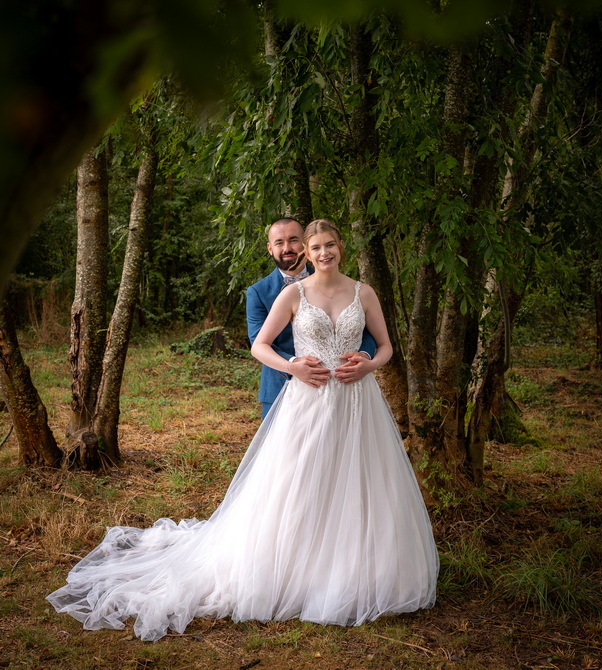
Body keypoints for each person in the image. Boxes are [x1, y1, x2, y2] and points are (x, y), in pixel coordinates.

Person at [46, 219, 439, 642]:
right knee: (299, 482)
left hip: (357, 402)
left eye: (331, 245)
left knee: (360, 483)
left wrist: (368, 363)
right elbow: (259, 344)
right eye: (316, 247)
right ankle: (295, 571)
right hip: (306, 401)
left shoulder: (364, 292)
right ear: (307, 252)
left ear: (341, 246)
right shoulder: (294, 293)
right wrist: (292, 367)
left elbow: (385, 347)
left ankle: (358, 570)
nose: (324, 253)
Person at [246, 217, 376, 418]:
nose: (287, 248)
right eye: (279, 242)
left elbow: (365, 330)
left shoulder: (346, 285)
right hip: (281, 386)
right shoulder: (259, 292)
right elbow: (259, 342)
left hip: (348, 386)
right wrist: (294, 365)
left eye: (293, 240)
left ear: (304, 246)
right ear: (270, 248)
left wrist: (365, 357)